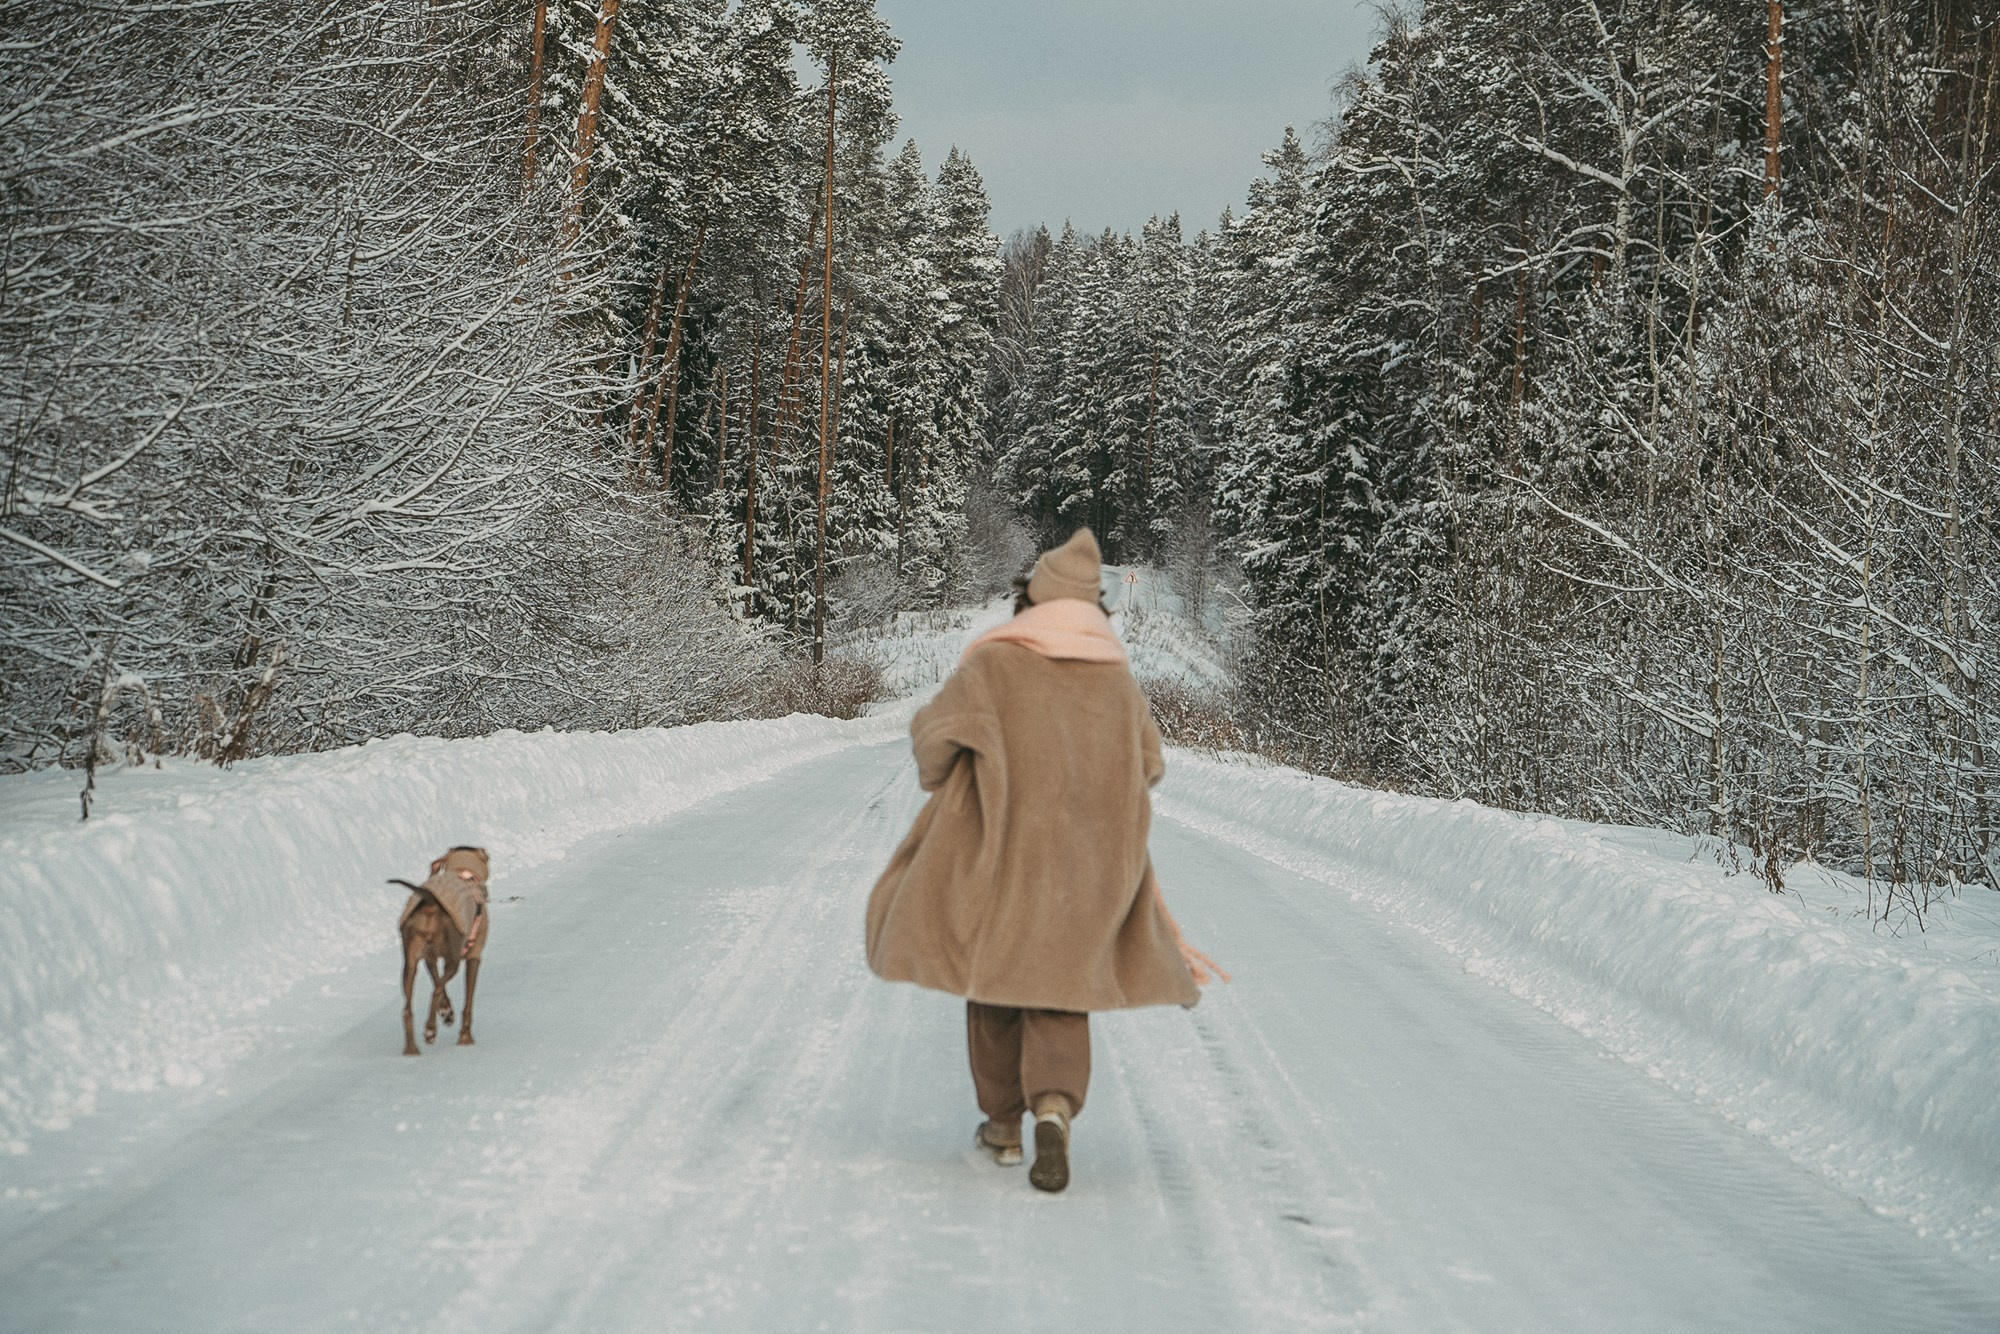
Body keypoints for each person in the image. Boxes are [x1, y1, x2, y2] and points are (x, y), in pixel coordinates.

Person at [865, 528, 1225, 1194]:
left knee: (996, 982)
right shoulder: (1116, 677)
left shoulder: (995, 664)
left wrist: (952, 777)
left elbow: (934, 741)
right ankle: (1054, 1108)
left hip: (998, 852)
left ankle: (1003, 1125)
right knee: (1061, 989)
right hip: (1087, 865)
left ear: (1031, 599)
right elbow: (1149, 766)